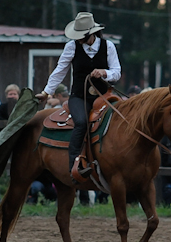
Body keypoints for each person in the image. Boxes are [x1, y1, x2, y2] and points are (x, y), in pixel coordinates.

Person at [35, 12, 122, 178]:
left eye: (80, 36)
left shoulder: (108, 46)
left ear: (90, 34)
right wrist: (47, 92)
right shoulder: (72, 46)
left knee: (118, 120)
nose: (78, 39)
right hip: (79, 96)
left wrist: (104, 73)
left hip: (103, 96)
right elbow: (60, 71)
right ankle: (74, 165)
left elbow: (117, 72)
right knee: (81, 122)